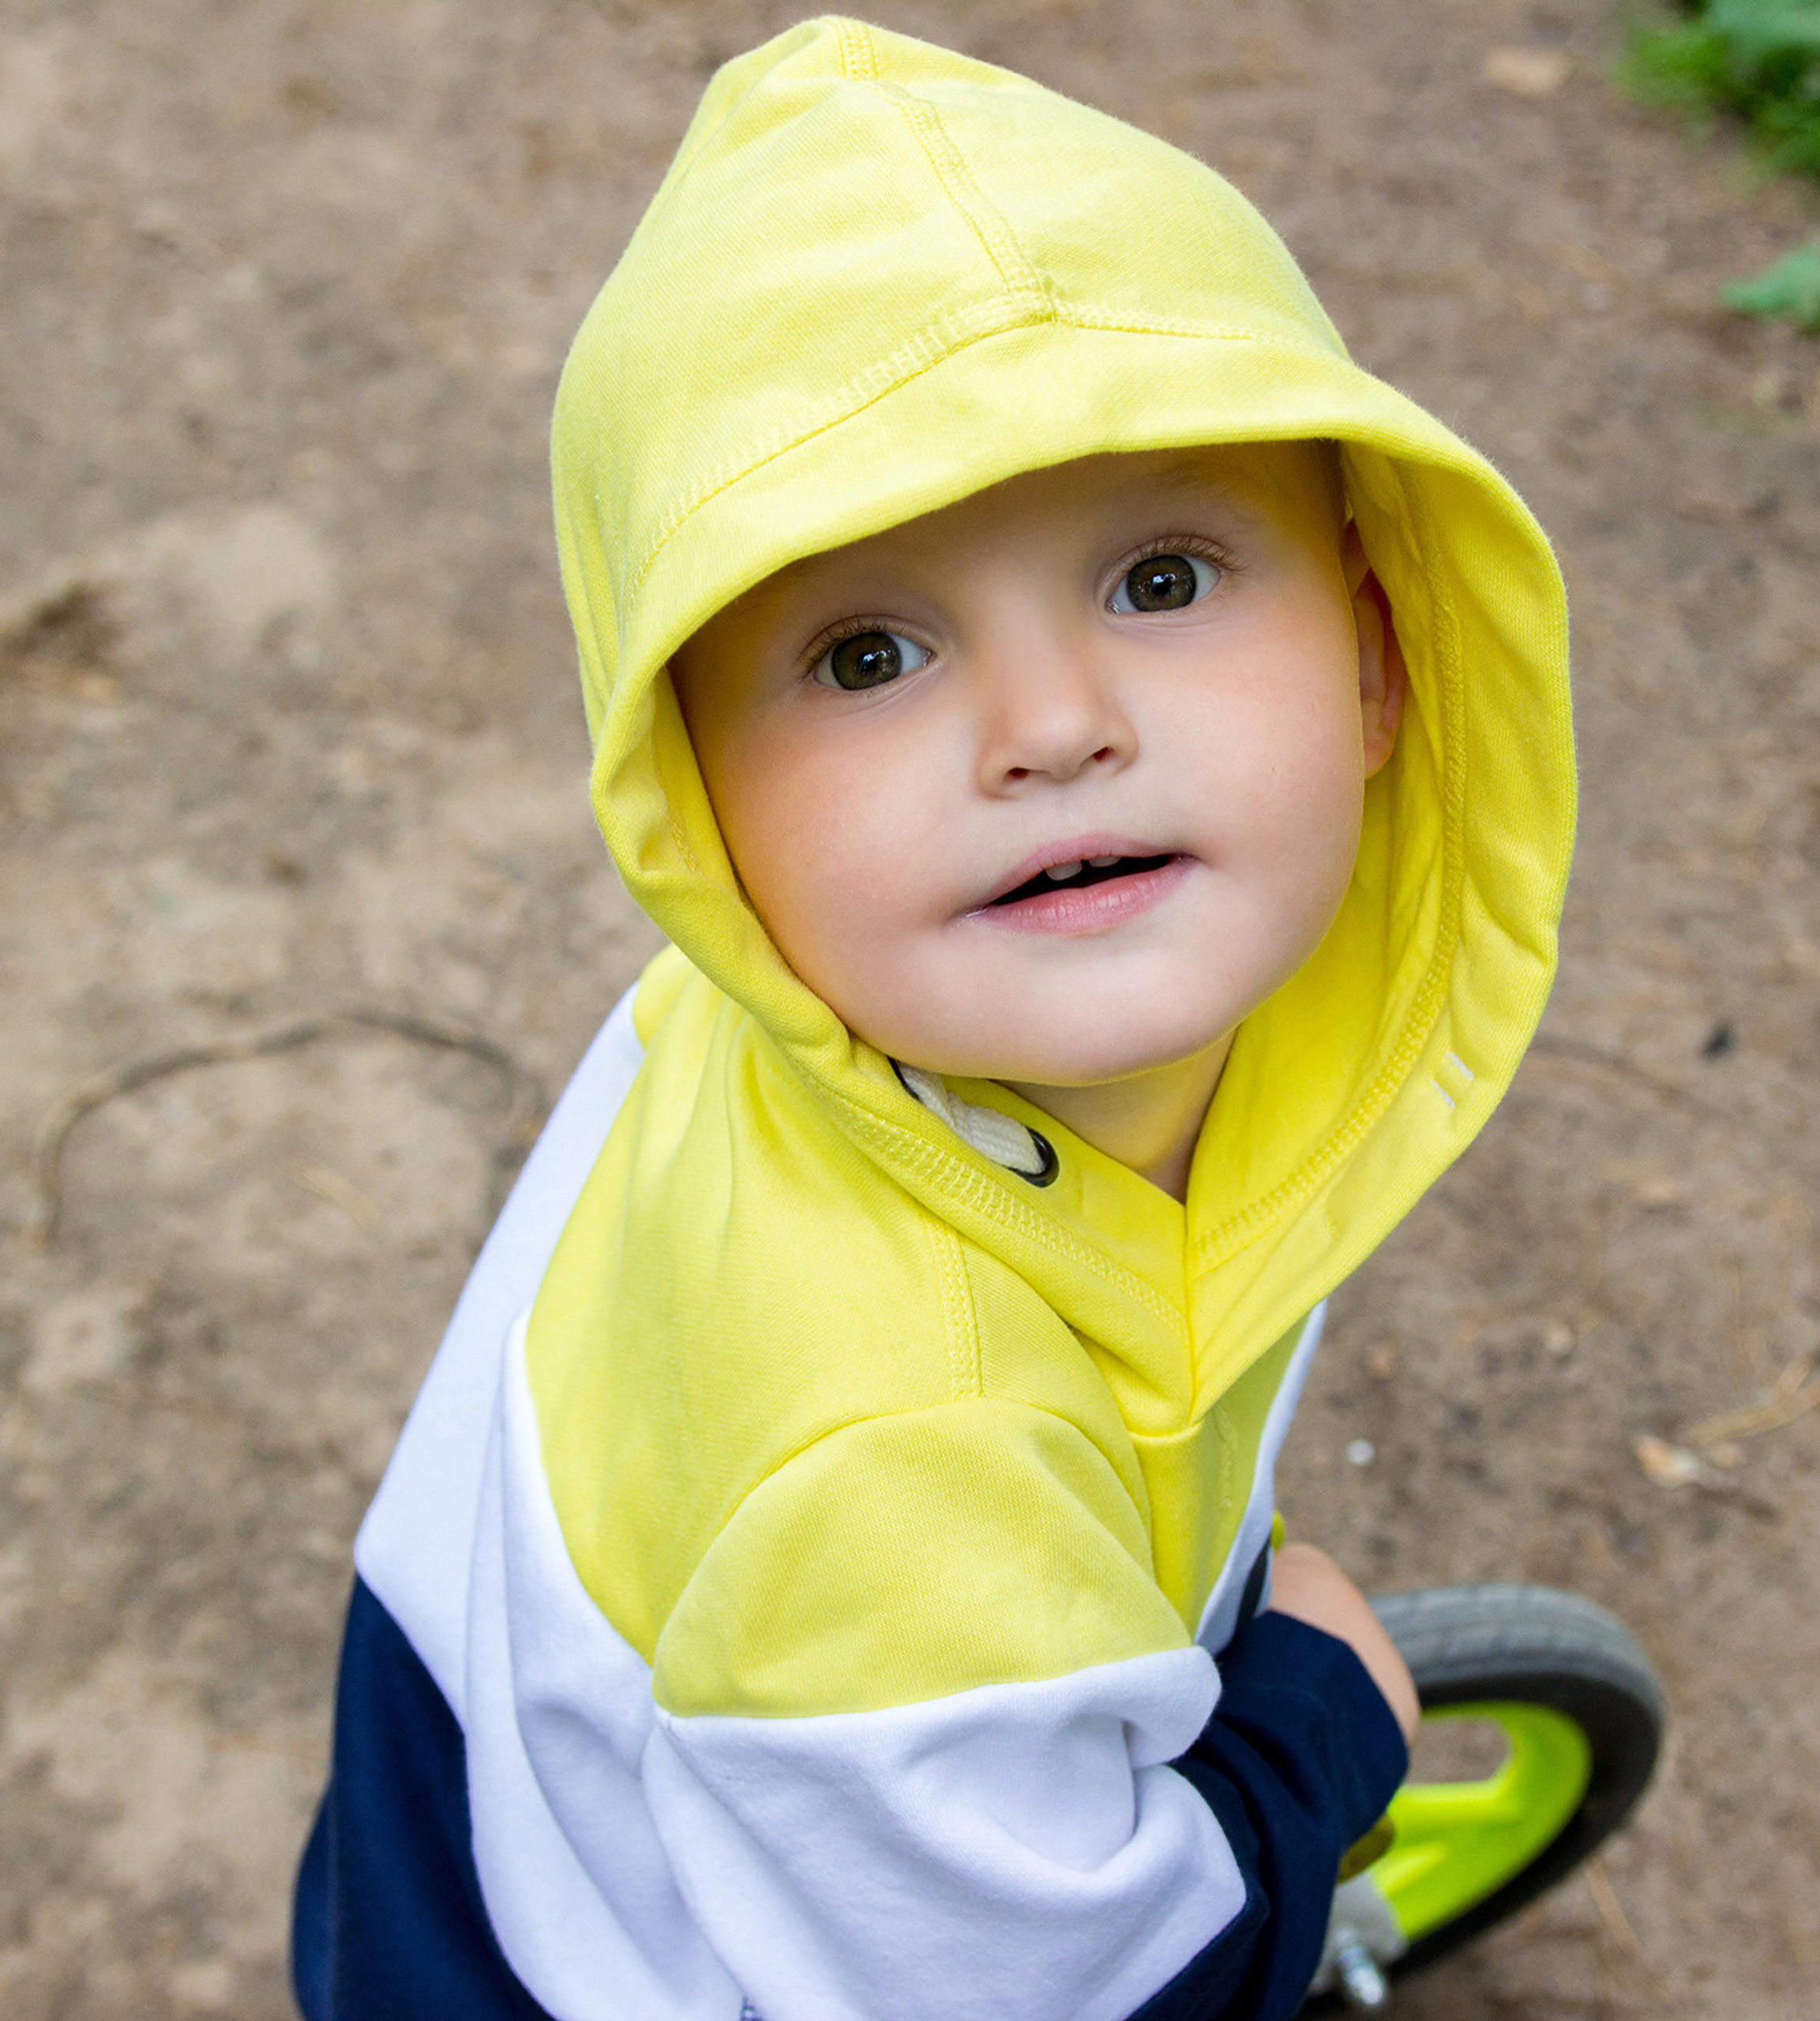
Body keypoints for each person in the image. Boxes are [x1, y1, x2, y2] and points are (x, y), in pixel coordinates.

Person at [290, 17, 1575, 2021]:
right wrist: (1315, 1722)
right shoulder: (902, 1462)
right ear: (691, 799)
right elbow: (1037, 1985)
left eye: (1162, 570)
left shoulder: (772, 1014)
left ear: (1377, 655)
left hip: (487, 1800)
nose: (1054, 724)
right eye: (865, 649)